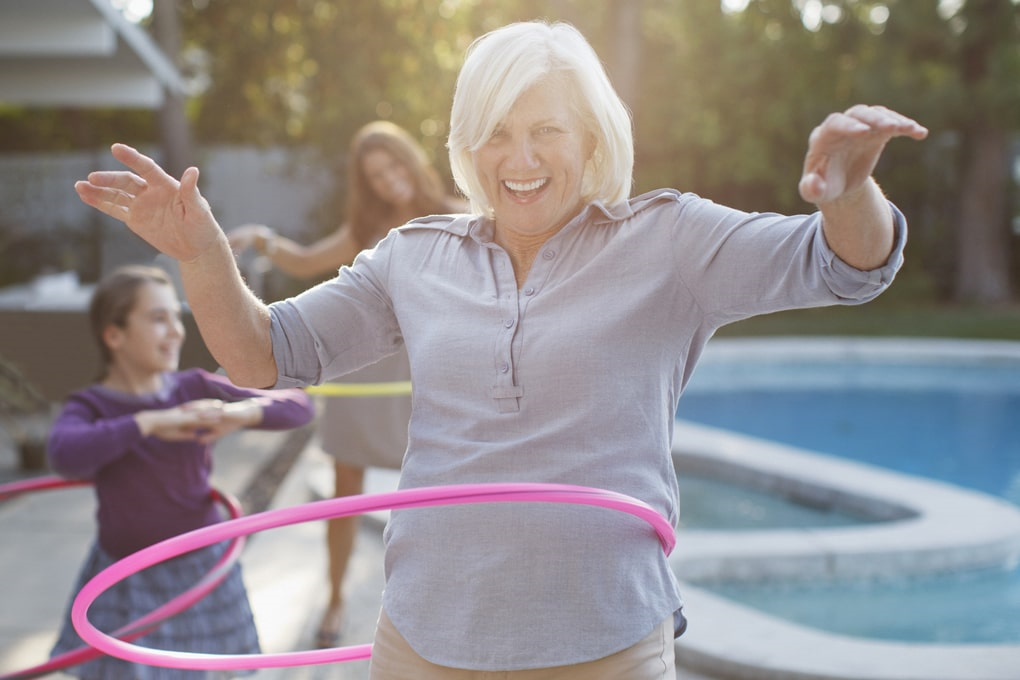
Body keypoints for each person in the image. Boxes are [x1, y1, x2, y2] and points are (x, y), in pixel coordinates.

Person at [73, 19, 928, 679]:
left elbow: (843, 265)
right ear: (467, 145)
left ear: (592, 137)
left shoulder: (670, 239)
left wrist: (851, 195)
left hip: (604, 642)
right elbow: (265, 356)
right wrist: (203, 257)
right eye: (495, 131)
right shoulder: (415, 257)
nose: (519, 158)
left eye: (546, 130)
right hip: (426, 640)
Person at [225, 120, 467, 648]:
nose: (388, 181)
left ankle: (440, 604)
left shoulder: (458, 215)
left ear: (411, 159)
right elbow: (306, 259)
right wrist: (259, 241)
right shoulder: (368, 231)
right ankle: (334, 598)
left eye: (393, 166)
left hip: (423, 377)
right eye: (376, 176)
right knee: (345, 490)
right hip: (362, 373)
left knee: (436, 494)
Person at [46, 264, 315, 680]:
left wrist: (239, 414)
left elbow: (298, 406)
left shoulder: (194, 388)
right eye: (158, 319)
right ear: (114, 335)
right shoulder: (93, 406)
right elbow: (65, 453)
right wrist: (149, 423)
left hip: (198, 564)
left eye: (176, 316)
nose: (176, 330)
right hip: (125, 571)